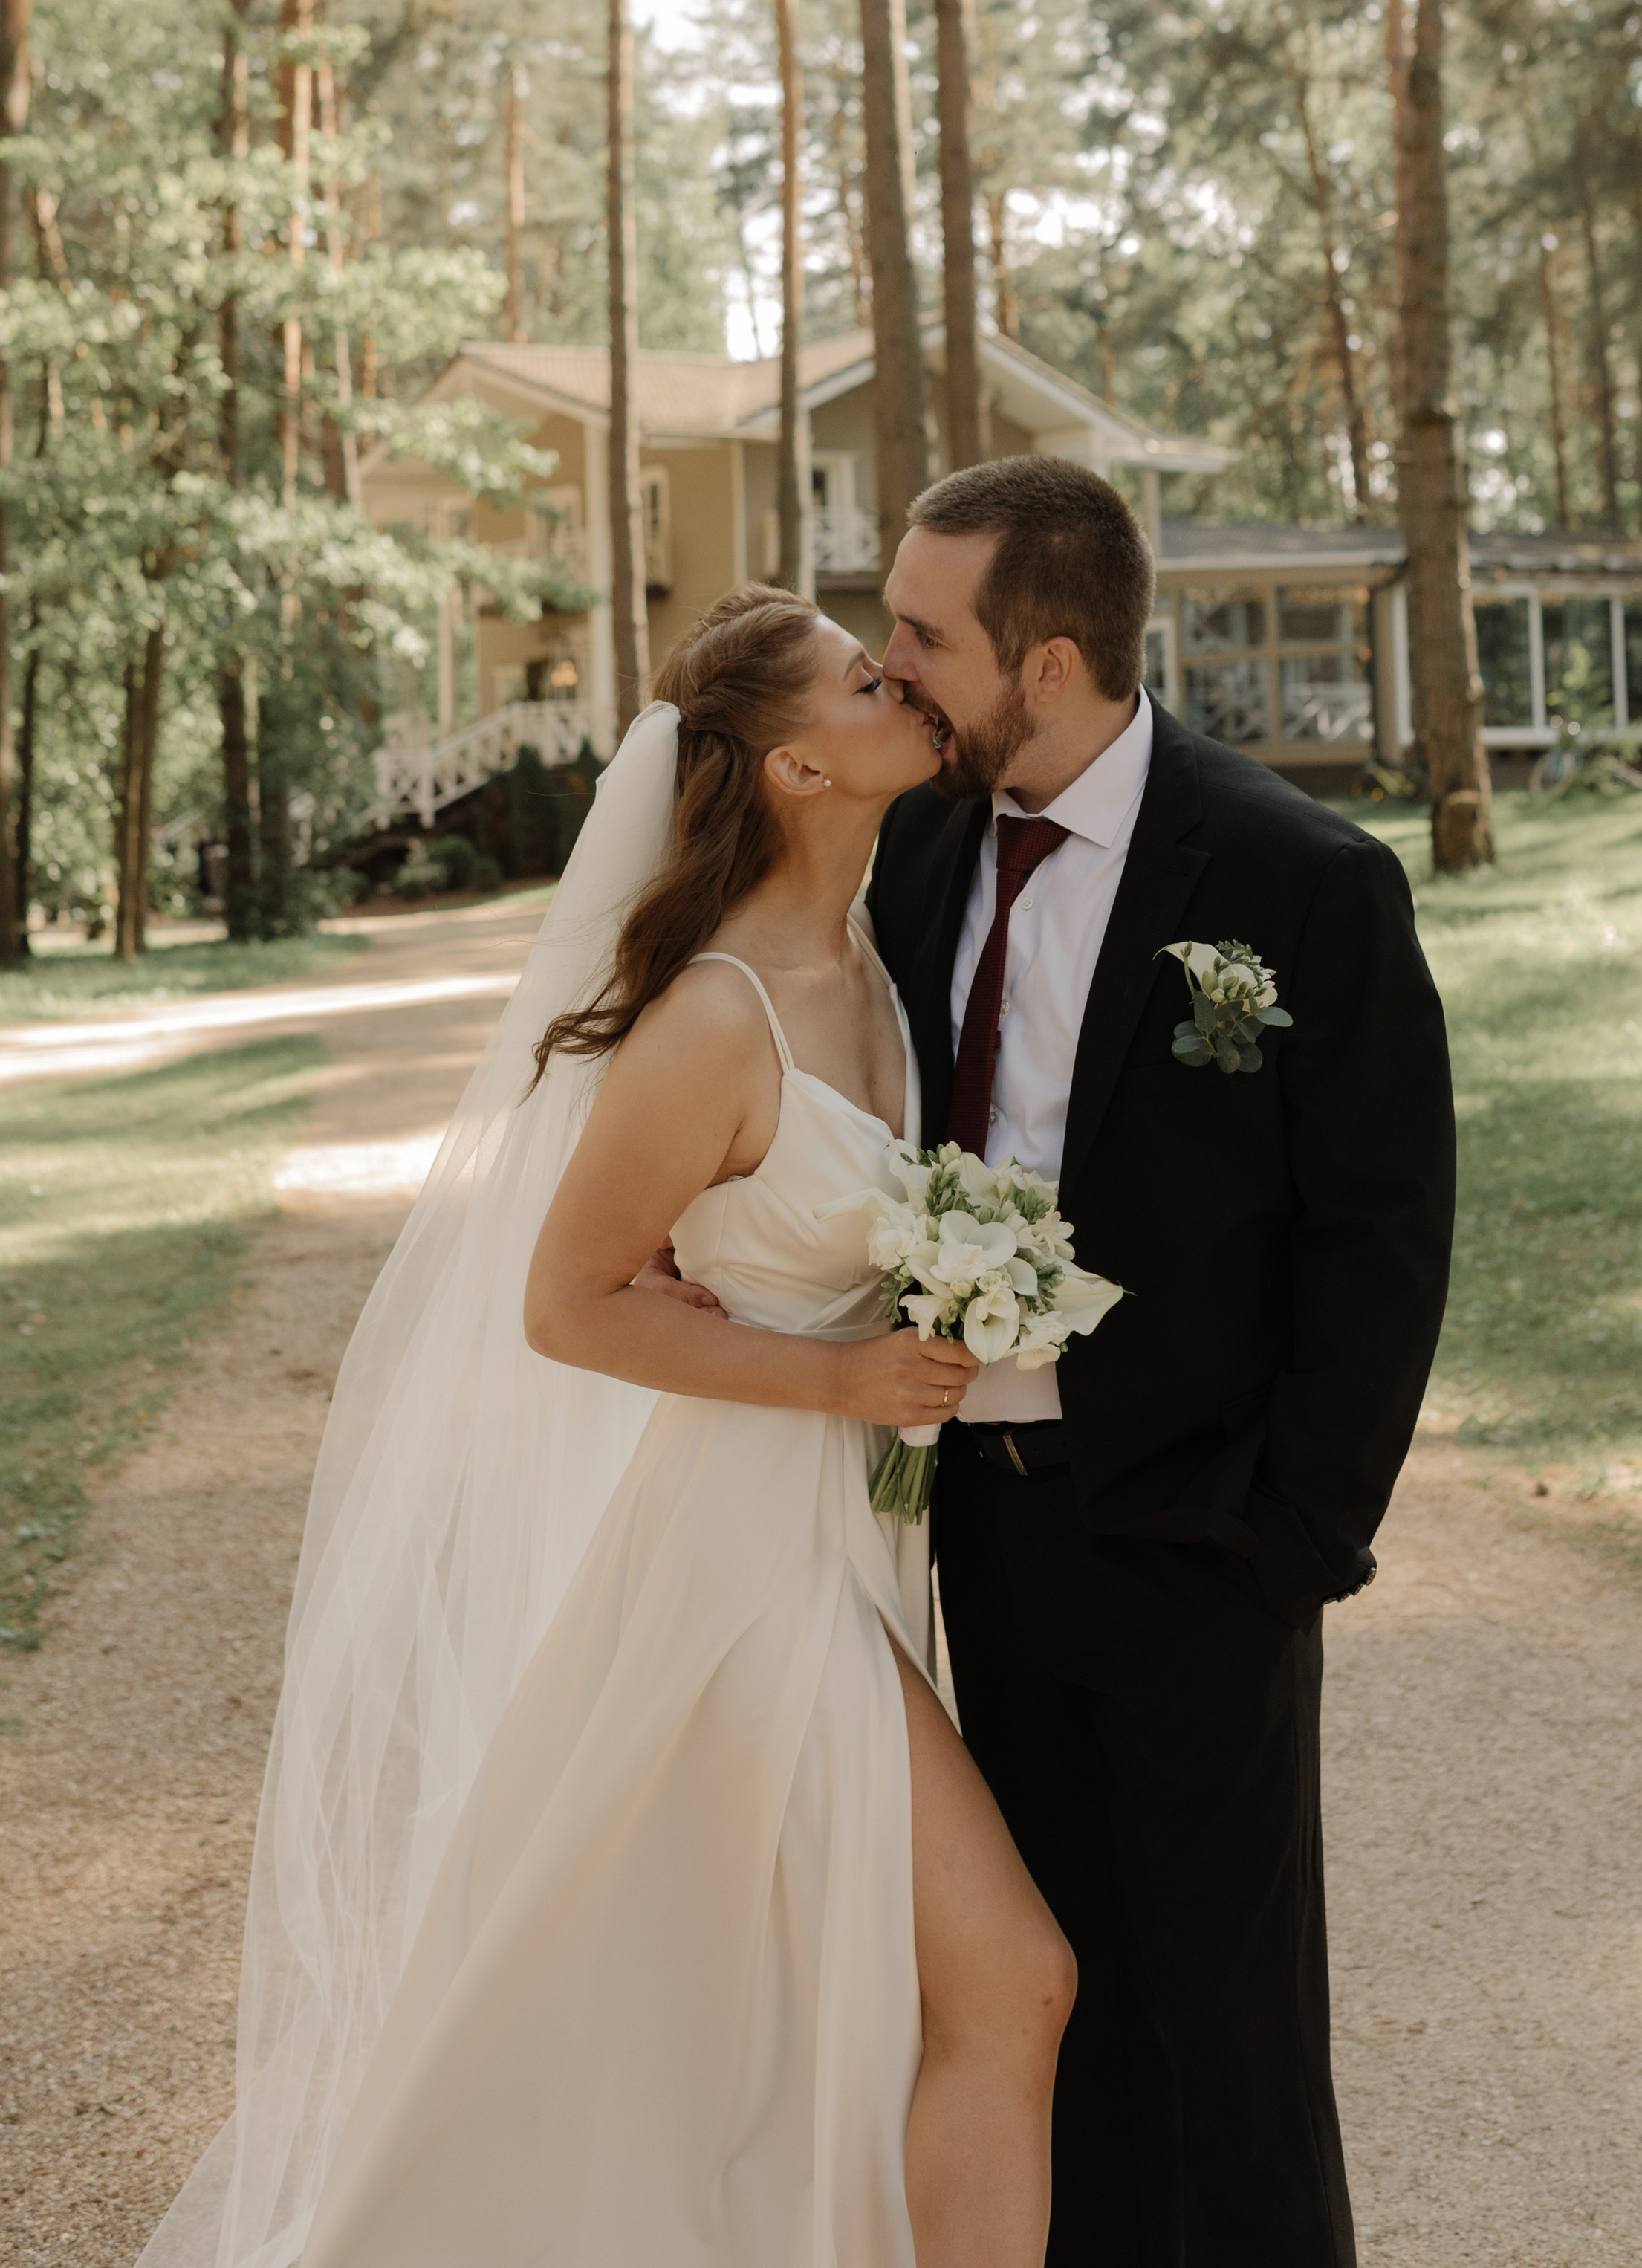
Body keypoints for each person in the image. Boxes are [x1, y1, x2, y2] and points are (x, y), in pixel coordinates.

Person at [135, 589, 1072, 2268]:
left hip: (837, 1547)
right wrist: (846, 1382)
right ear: (794, 761)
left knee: (740, 2011)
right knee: (1010, 1974)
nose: (903, 685)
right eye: (868, 679)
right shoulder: (715, 1019)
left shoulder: (867, 953)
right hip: (737, 1573)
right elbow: (565, 1304)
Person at [866, 456, 1456, 2268]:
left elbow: (1382, 1234)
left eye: (920, 637)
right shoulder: (913, 850)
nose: (889, 669)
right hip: (982, 1521)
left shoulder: (1298, 879)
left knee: (1235, 2035)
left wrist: (1290, 1540)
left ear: (1046, 664)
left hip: (1202, 1539)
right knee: (1058, 2013)